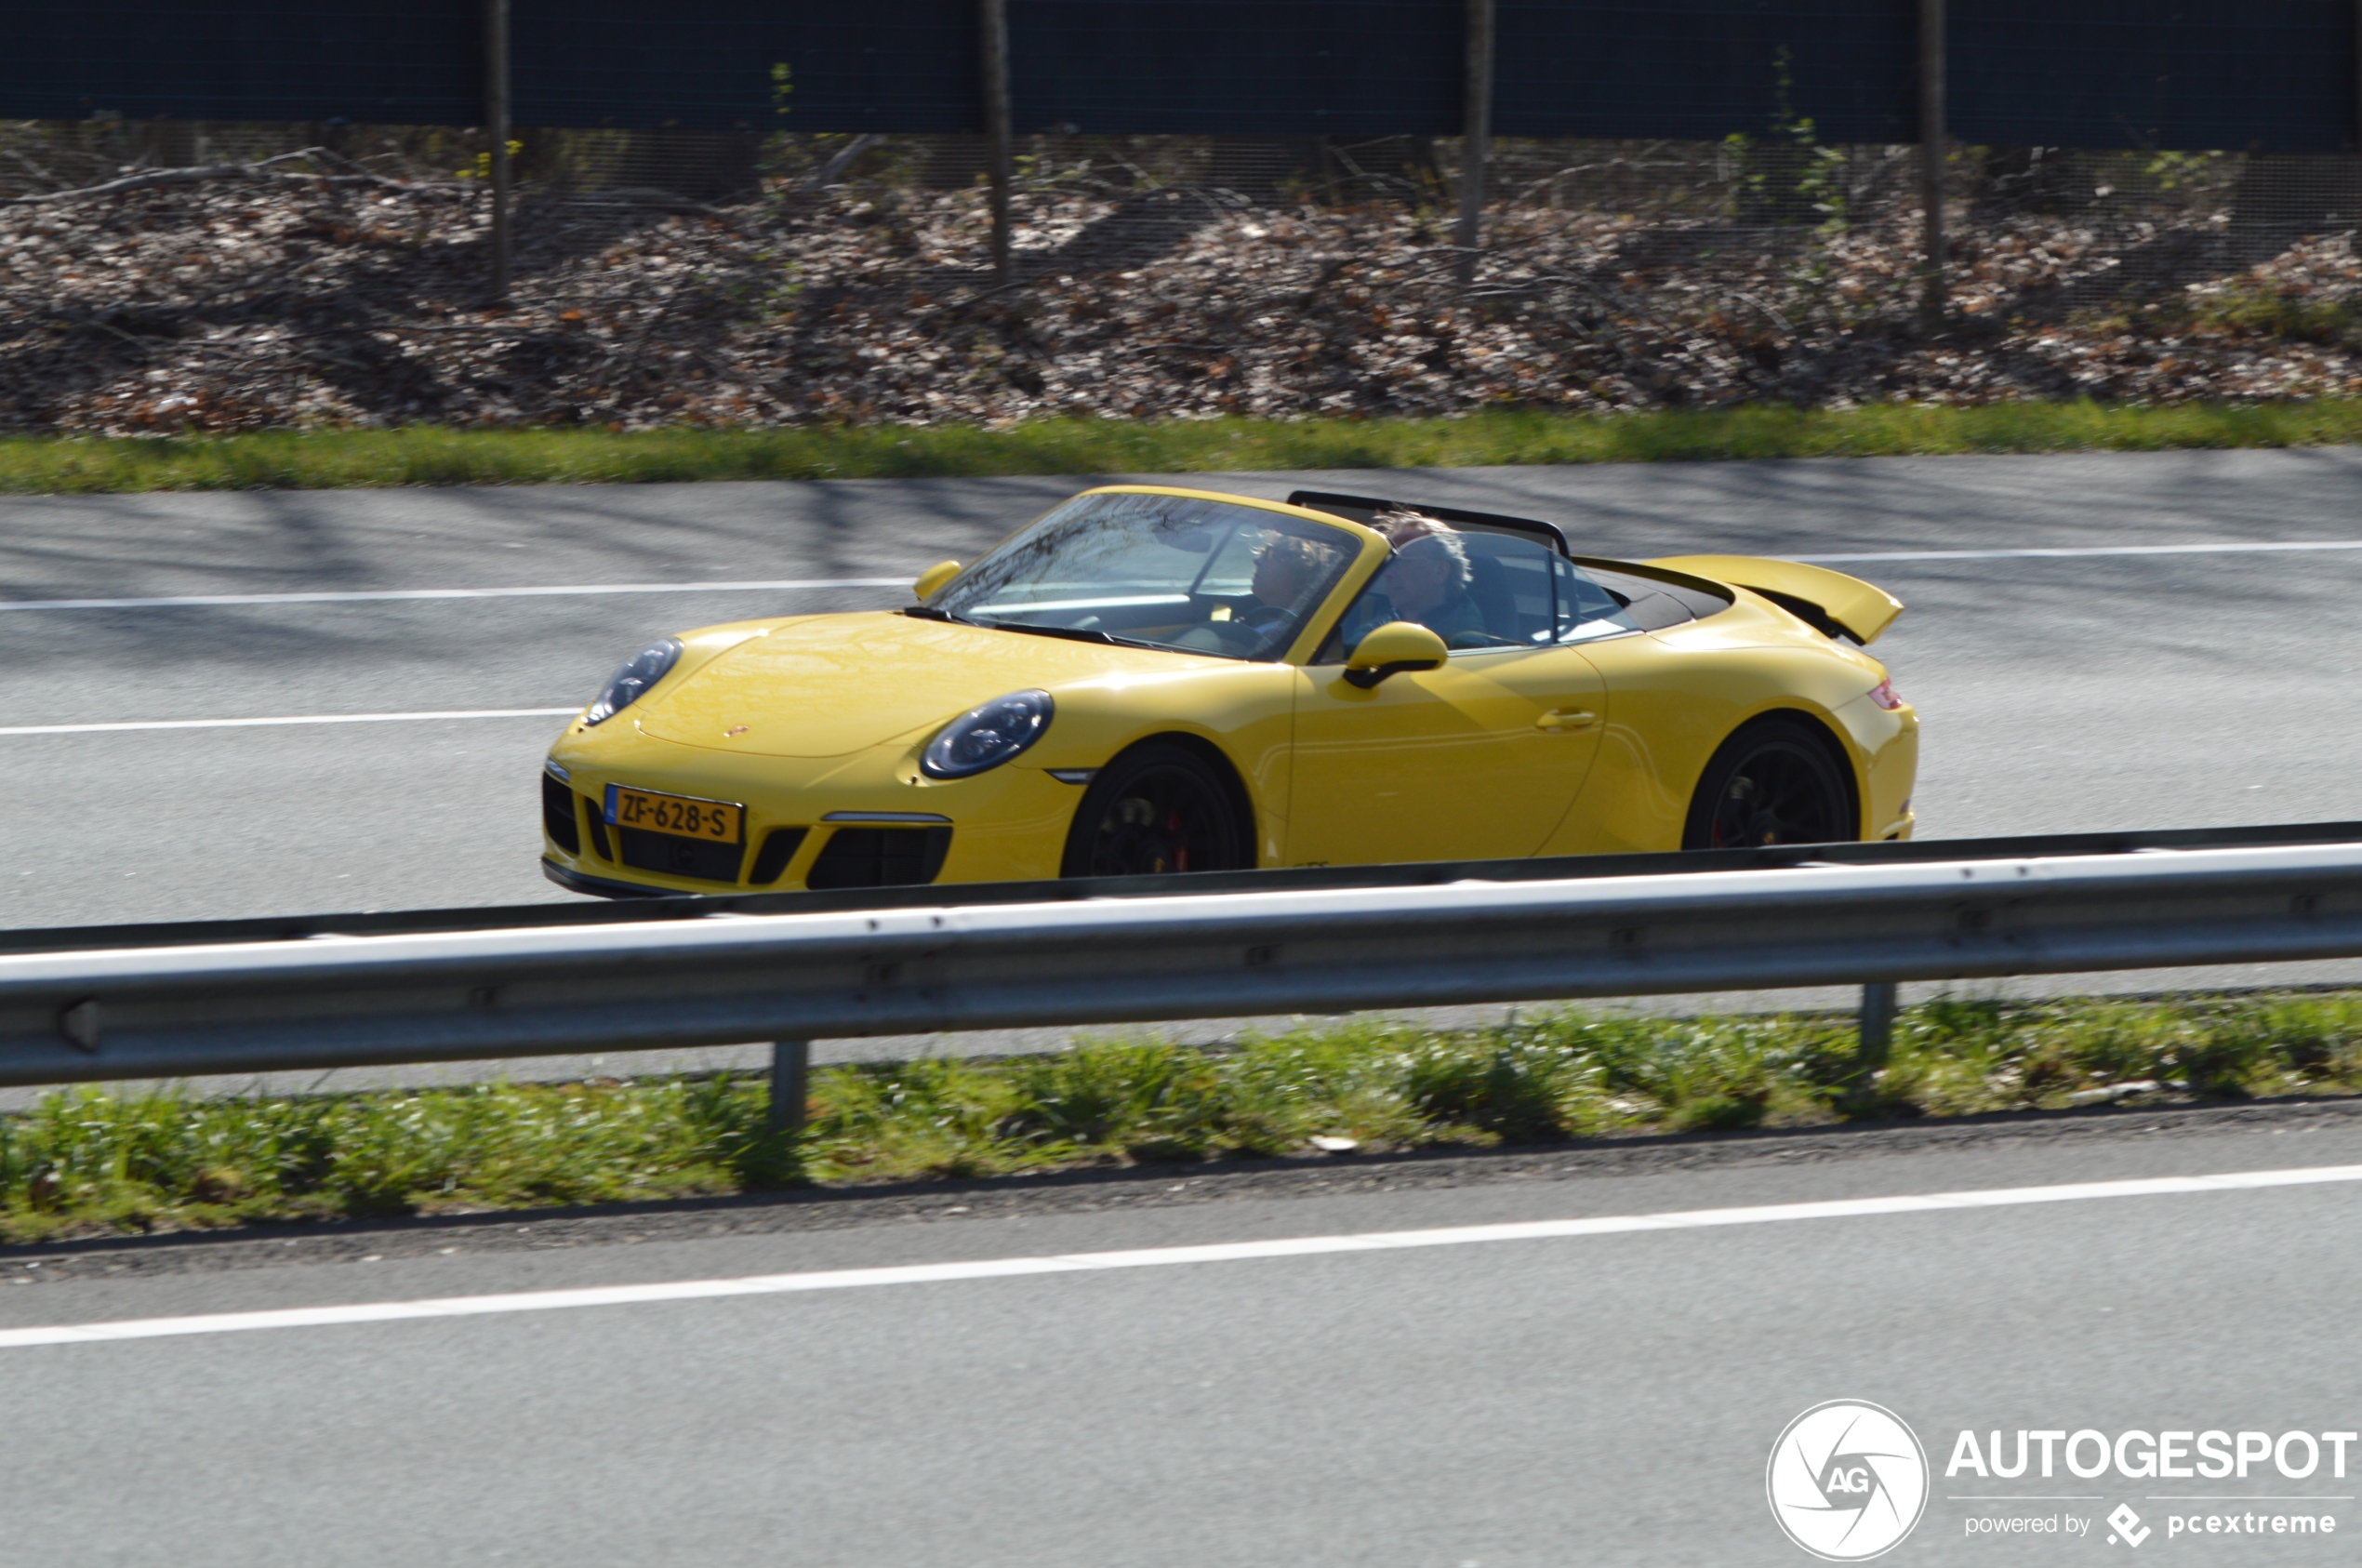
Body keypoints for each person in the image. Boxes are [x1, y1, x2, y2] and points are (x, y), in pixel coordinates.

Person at [1344, 508, 1486, 648]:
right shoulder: (1387, 620)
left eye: (1402, 561)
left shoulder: (1463, 644)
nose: (1388, 573)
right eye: (1389, 561)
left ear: (1440, 571)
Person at [1239, 532, 1338, 645]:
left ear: (1300, 571)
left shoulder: (1294, 635)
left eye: (1269, 555)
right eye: (1262, 553)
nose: (1256, 560)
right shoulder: (1263, 618)